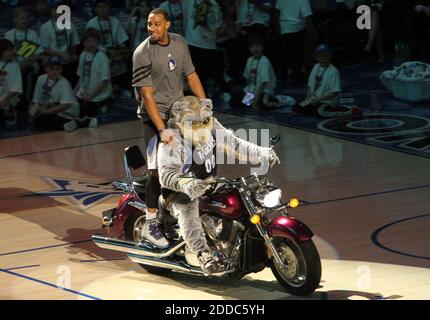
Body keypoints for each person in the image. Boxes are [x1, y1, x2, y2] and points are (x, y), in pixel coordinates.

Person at [157, 96, 280, 274]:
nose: (201, 126)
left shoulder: (212, 126)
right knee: (188, 210)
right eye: (193, 122)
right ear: (180, 122)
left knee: (242, 197)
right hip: (180, 192)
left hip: (209, 183)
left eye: (204, 120)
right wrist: (187, 183)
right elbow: (166, 175)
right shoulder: (171, 140)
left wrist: (261, 152)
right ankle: (202, 253)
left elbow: (235, 144)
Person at [132, 8, 206, 248]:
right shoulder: (142, 53)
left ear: (167, 25)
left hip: (179, 112)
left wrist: (204, 106)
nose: (151, 28)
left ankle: (190, 208)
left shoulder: (180, 43)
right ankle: (150, 224)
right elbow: (148, 97)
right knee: (156, 169)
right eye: (148, 24)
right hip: (153, 116)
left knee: (198, 157)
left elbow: (192, 76)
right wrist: (162, 129)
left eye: (156, 24)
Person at [30, 56, 96, 132]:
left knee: (53, 118)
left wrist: (47, 111)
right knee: (37, 121)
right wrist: (35, 110)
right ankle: (71, 124)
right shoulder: (41, 79)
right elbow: (37, 100)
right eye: (52, 68)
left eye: (57, 68)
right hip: (51, 107)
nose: (54, 71)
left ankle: (81, 122)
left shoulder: (64, 82)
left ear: (61, 70)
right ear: (46, 69)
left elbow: (65, 105)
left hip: (67, 109)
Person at [231, 36, 295, 110]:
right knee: (235, 102)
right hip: (252, 91)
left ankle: (281, 100)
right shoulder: (249, 60)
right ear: (249, 48)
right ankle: (251, 101)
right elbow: (247, 79)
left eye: (258, 46)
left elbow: (263, 84)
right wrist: (246, 96)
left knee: (262, 104)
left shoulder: (264, 61)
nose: (255, 49)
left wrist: (255, 101)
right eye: (252, 47)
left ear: (262, 48)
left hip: (264, 91)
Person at [5, 7, 43, 113]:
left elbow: (38, 53)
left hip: (29, 65)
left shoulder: (32, 34)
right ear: (15, 20)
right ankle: (11, 104)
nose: (24, 20)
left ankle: (26, 104)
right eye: (21, 18)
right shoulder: (9, 34)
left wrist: (27, 62)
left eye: (26, 18)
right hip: (14, 65)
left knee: (29, 71)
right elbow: (6, 54)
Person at [293, 44, 343, 117]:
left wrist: (318, 100)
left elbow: (335, 92)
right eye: (319, 56)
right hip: (314, 100)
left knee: (320, 111)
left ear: (330, 57)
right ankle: (314, 111)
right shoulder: (315, 66)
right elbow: (310, 85)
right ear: (316, 57)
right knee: (297, 108)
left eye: (324, 56)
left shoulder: (334, 71)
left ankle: (345, 110)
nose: (322, 59)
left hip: (326, 101)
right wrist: (308, 98)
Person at [74, 28, 112, 118]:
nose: (91, 43)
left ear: (98, 42)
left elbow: (104, 82)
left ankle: (102, 106)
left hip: (98, 96)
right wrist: (73, 93)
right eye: (88, 40)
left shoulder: (102, 58)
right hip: (84, 93)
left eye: (94, 40)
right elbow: (81, 77)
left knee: (84, 111)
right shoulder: (82, 55)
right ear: (84, 43)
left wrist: (91, 96)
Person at [274, 0, 315, 84]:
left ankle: (284, 74)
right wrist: (312, 29)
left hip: (284, 27)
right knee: (298, 53)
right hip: (297, 27)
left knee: (287, 51)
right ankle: (296, 75)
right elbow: (307, 16)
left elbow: (277, 11)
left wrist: (277, 25)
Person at [39, 2, 80, 85]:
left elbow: (74, 44)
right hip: (53, 63)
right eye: (55, 9)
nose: (59, 11)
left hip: (67, 62)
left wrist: (72, 55)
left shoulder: (70, 25)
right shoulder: (45, 27)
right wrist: (60, 54)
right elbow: (45, 49)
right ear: (51, 11)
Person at [0, 39, 22, 128]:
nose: (11, 53)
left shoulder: (15, 66)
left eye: (11, 50)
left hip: (7, 100)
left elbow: (15, 89)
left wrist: (4, 101)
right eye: (7, 50)